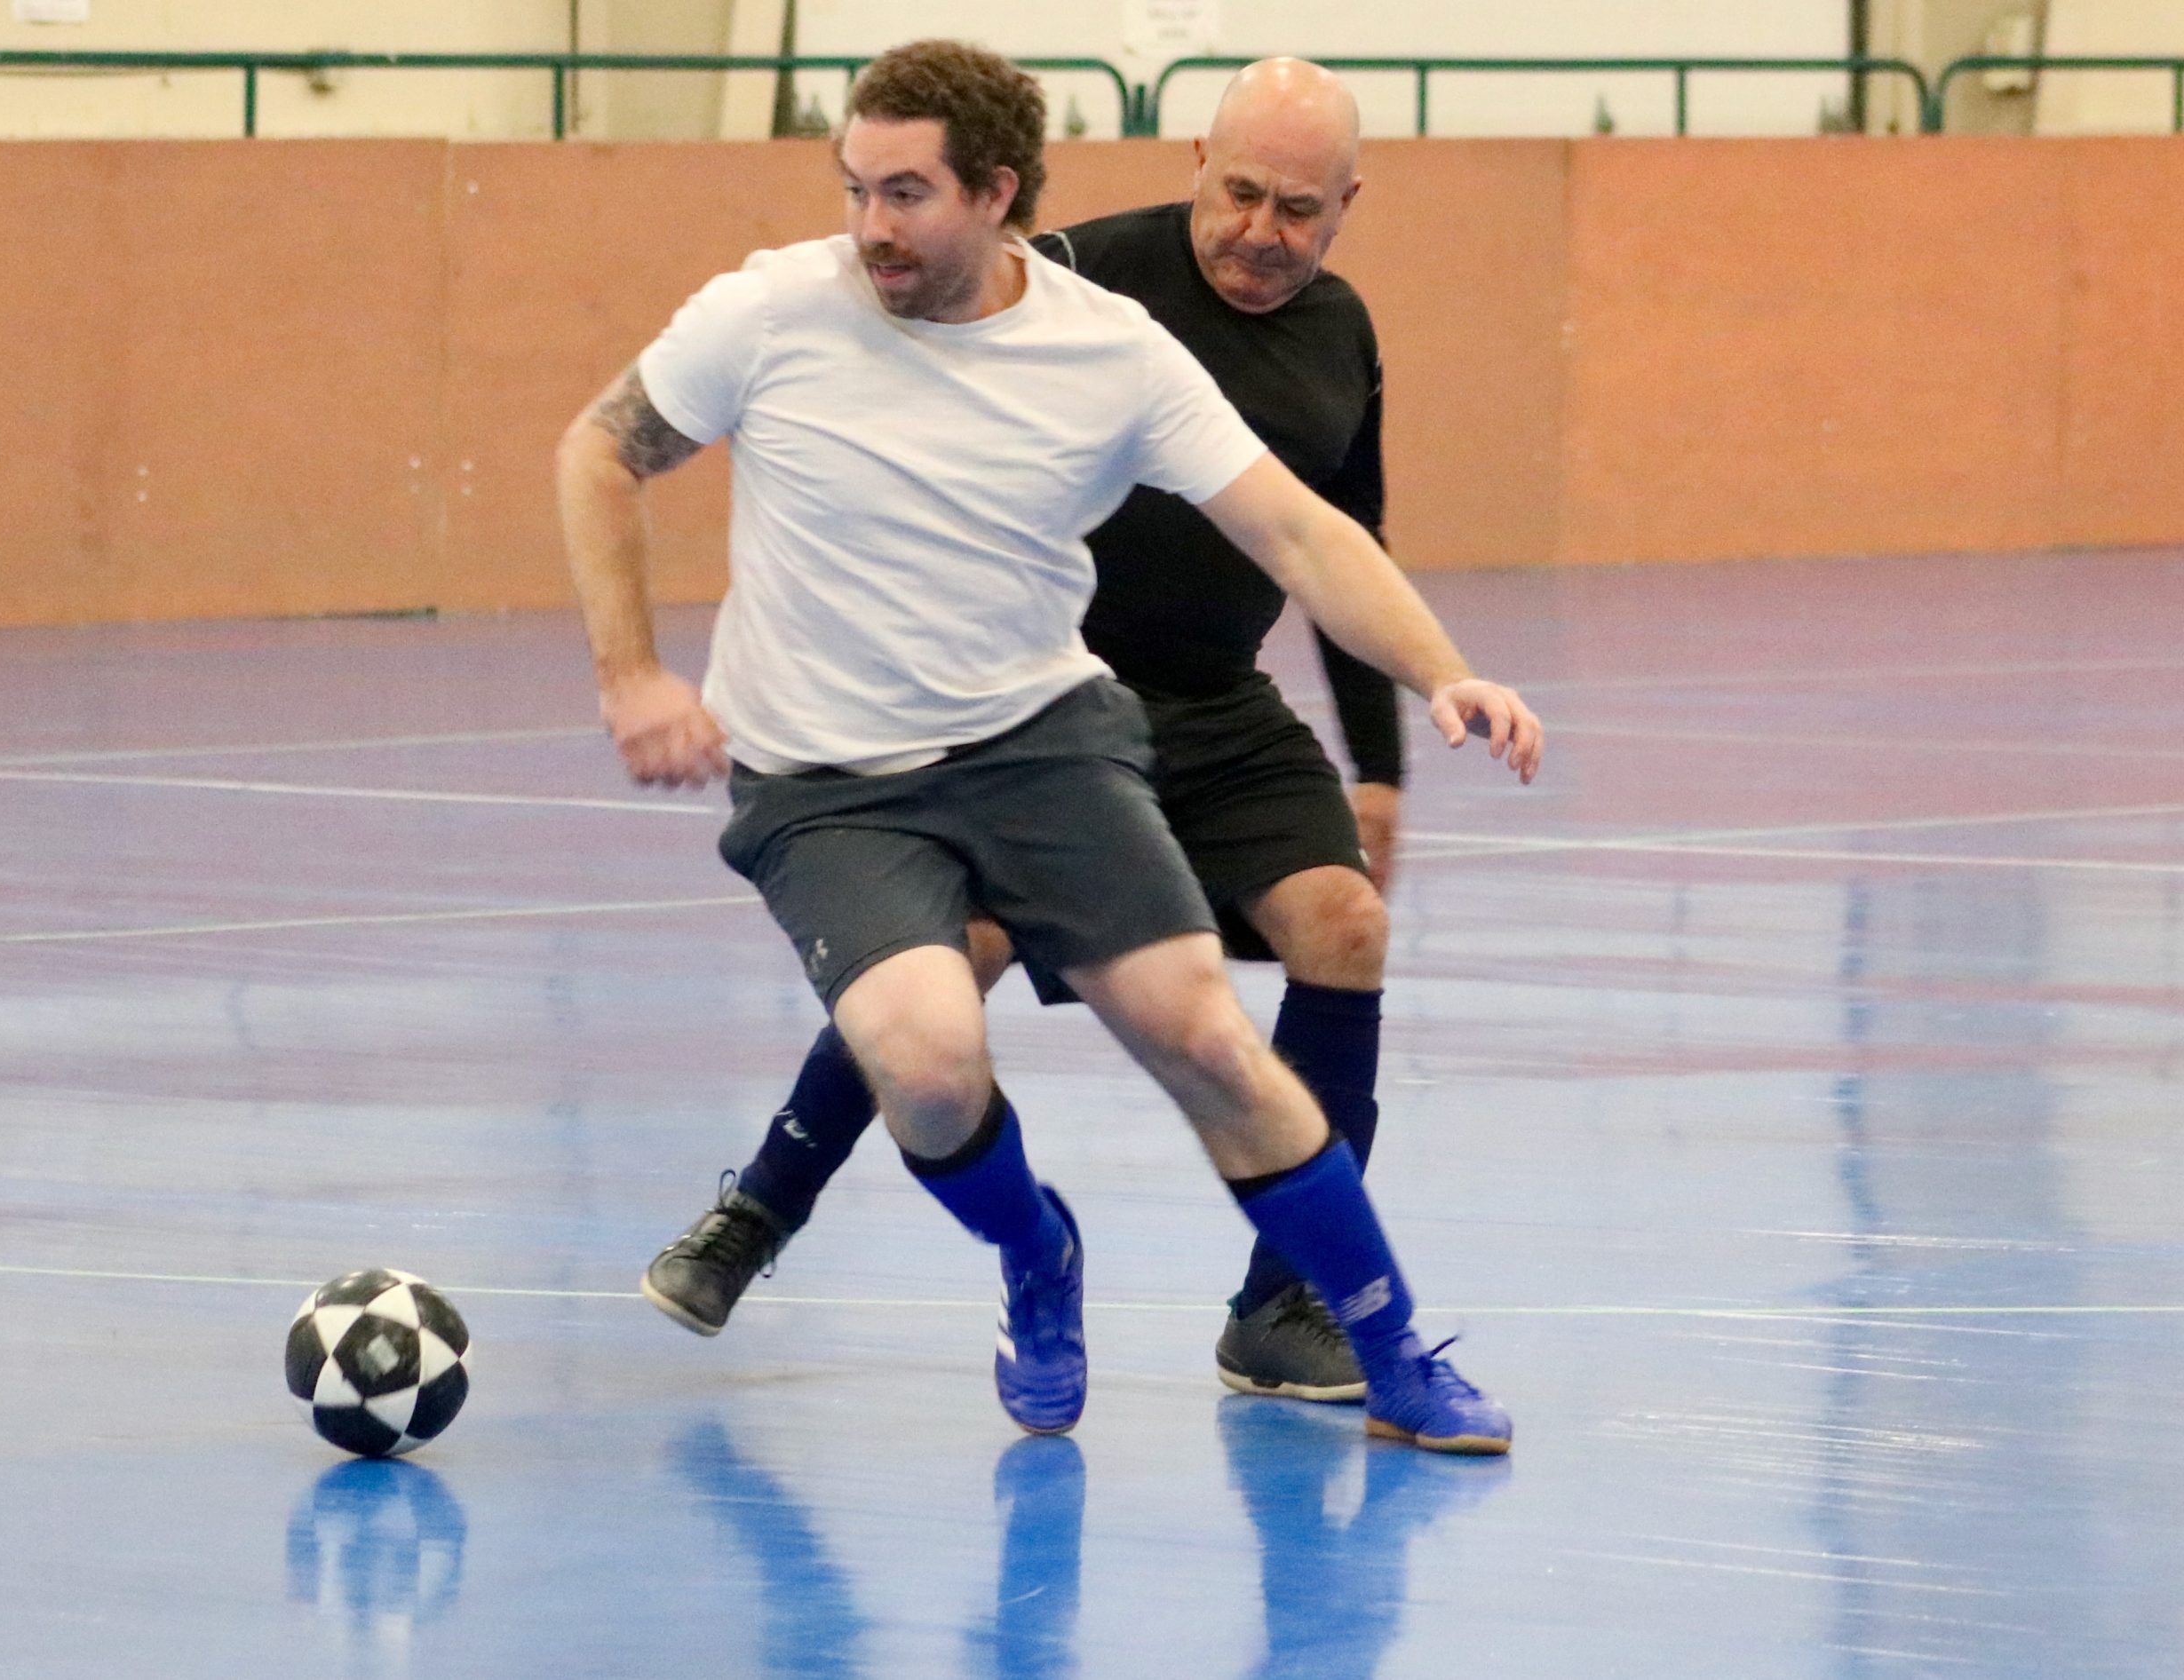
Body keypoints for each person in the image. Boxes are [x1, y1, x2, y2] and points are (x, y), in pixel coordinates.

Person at [557, 40, 1542, 1453]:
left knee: (1207, 1033)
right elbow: (599, 450)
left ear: (996, 194)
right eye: (857, 189)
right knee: (930, 1058)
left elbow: (1302, 530)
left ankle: (1387, 1353)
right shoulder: (768, 313)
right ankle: (1036, 1251)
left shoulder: (1107, 349)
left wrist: (1443, 675)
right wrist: (632, 671)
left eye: (907, 194)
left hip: (1043, 749)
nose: (872, 228)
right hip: (832, 785)